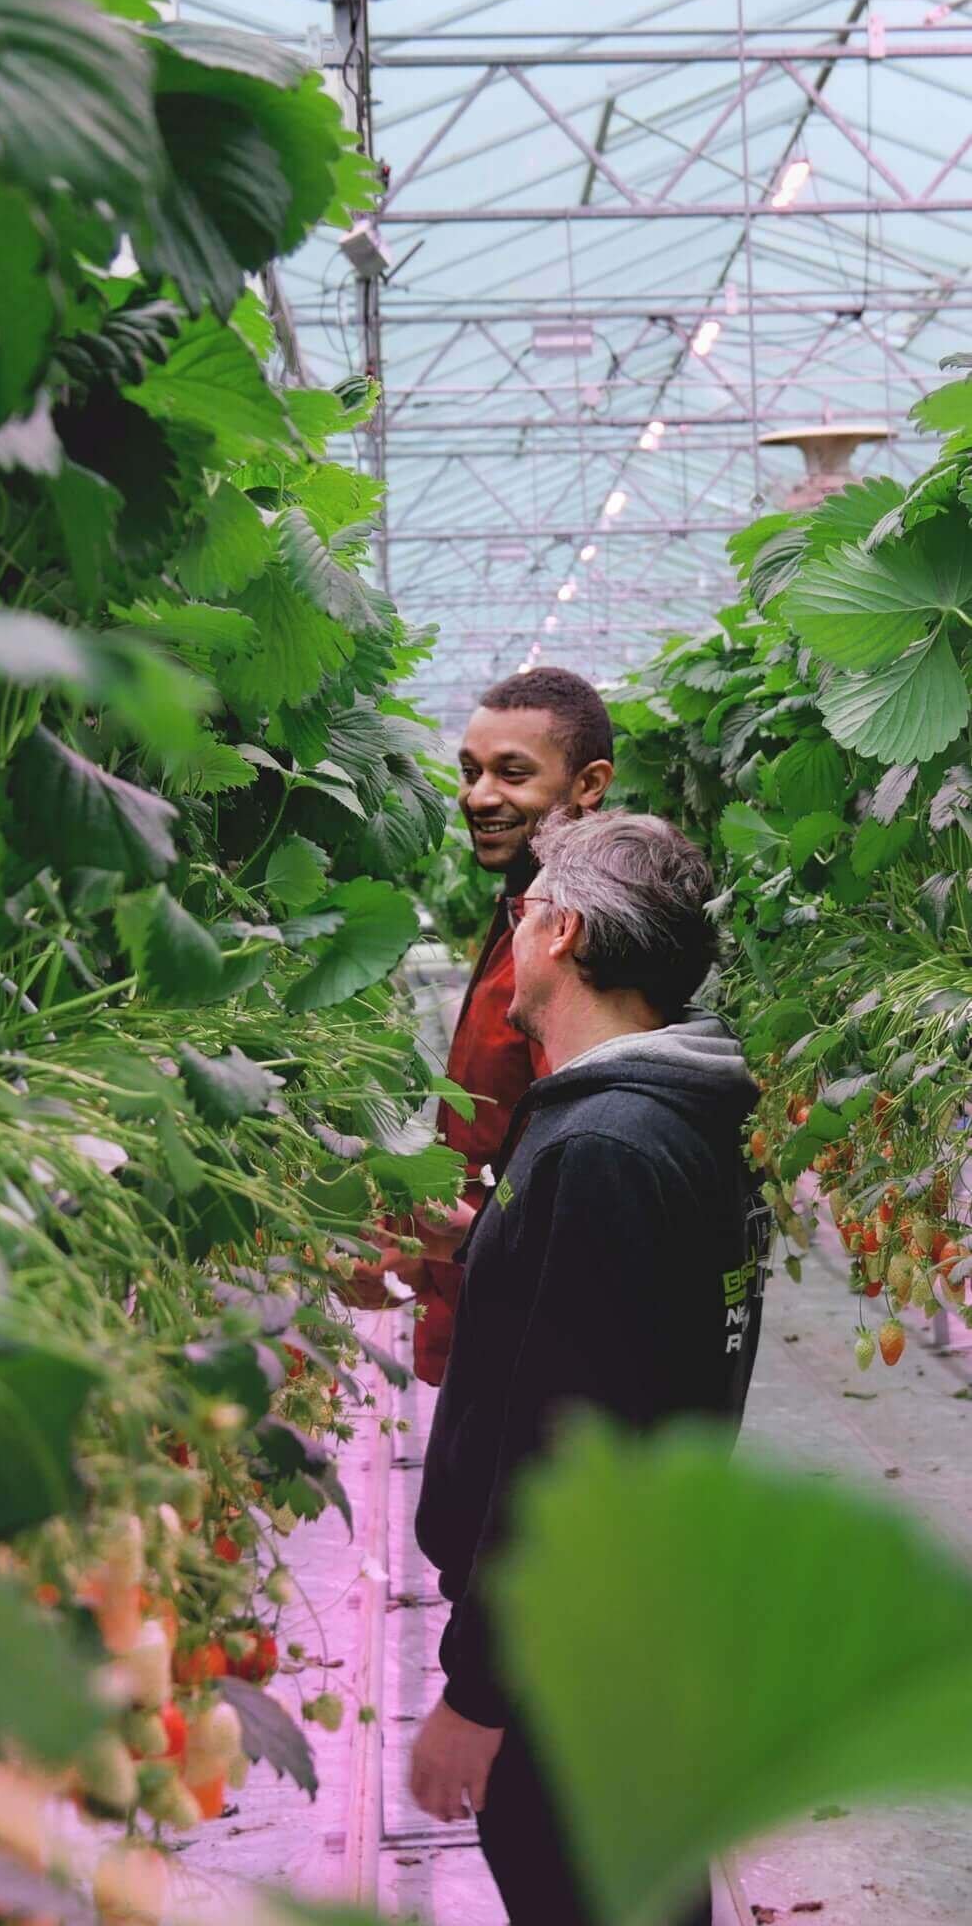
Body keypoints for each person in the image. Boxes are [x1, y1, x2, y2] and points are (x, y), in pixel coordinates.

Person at [407, 809, 768, 1926]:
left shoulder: (602, 1147)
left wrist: (478, 1688)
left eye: (524, 915)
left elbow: (566, 1439)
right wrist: (474, 1249)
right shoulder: (658, 1121)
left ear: (558, 928)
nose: (511, 937)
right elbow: (610, 1333)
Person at [351, 667, 615, 1387]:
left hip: (540, 1349)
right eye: (469, 772)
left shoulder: (577, 944)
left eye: (512, 773)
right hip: (491, 1317)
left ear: (589, 784)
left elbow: (585, 1180)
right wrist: (419, 1249)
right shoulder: (523, 919)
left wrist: (453, 1246)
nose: (477, 796)